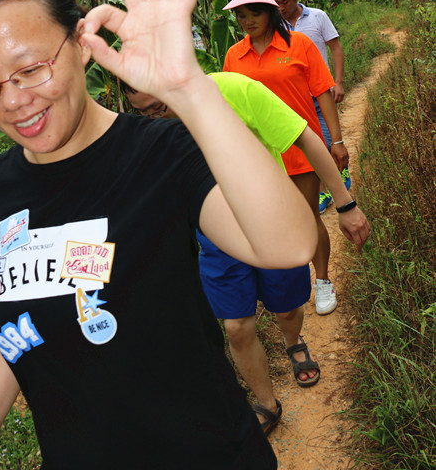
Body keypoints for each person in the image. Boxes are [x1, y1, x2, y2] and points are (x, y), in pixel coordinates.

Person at [0, 0, 318, 470]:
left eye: (31, 69)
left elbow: (289, 245)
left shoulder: (162, 152)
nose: (12, 101)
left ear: (82, 44)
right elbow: (26, 312)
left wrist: (189, 90)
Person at [124, 72, 369, 433]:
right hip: (215, 237)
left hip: (272, 221)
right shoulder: (149, 131)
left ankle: (292, 340)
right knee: (237, 327)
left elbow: (306, 138)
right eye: (143, 113)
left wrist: (345, 205)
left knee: (286, 309)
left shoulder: (235, 90)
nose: (155, 119)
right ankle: (267, 403)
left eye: (159, 107)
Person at [222, 0, 368, 317]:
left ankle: (323, 280)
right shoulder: (234, 55)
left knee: (308, 216)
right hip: (260, 157)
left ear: (271, 11)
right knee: (277, 221)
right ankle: (289, 279)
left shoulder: (300, 45)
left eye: (254, 13)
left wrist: (337, 140)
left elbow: (323, 93)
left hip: (301, 149)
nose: (247, 21)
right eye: (241, 15)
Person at [270, 0, 350, 211]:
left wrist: (339, 81)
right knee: (309, 145)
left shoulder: (318, 17)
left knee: (328, 140)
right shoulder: (276, 26)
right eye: (277, 4)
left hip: (321, 91)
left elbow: (335, 47)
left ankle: (340, 170)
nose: (281, 8)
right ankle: (323, 191)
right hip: (295, 95)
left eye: (285, 2)